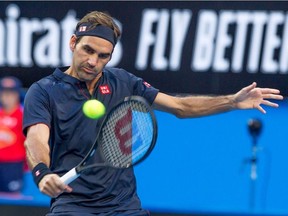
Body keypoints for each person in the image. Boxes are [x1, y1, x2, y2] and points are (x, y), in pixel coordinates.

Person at [23, 11, 283, 216]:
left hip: (124, 206)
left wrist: (232, 102)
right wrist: (42, 172)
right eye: (87, 50)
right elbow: (36, 138)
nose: (93, 61)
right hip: (72, 206)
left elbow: (180, 107)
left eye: (104, 56)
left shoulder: (123, 82)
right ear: (73, 43)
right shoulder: (43, 91)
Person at [0, 76, 26, 193]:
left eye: (11, 93)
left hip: (14, 165)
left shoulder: (24, 115)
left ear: (17, 95)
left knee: (12, 199)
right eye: (4, 93)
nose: (7, 97)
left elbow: (28, 143)